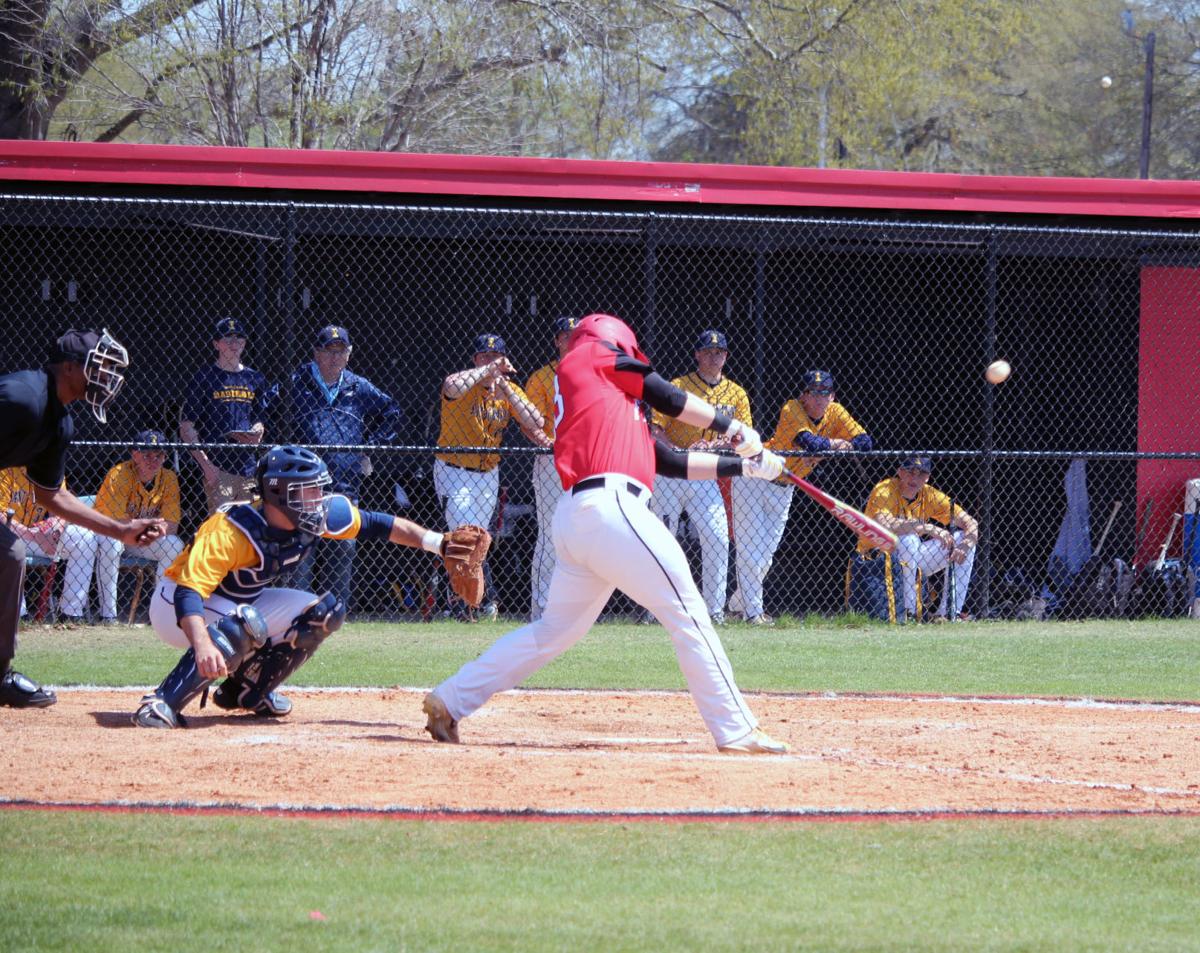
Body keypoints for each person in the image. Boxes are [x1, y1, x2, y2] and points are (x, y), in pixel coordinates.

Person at [422, 313, 791, 754]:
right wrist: (731, 427)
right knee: (689, 610)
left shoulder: (606, 402)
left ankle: (450, 698)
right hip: (611, 507)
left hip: (583, 517)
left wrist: (746, 466)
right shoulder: (593, 355)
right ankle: (736, 729)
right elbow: (669, 396)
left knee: (553, 632)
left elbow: (670, 462)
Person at [132, 444, 478, 728]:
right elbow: (188, 592)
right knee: (244, 624)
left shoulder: (313, 515)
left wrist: (440, 544)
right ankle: (161, 702)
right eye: (308, 491)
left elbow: (379, 524)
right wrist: (202, 642)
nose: (318, 498)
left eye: (319, 489)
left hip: (234, 602)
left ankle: (247, 691)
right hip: (174, 606)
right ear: (279, 494)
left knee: (324, 612)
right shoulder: (231, 530)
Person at [0, 329, 166, 708]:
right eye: (101, 368)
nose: (107, 378)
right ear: (71, 368)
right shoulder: (22, 398)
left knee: (10, 555)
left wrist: (121, 529)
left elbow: (51, 495)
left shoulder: (59, 424)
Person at [730, 369, 873, 625]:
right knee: (751, 551)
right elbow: (810, 443)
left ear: (833, 396)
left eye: (825, 392)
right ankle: (754, 614)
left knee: (766, 556)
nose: (819, 398)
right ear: (803, 396)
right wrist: (837, 445)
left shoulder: (836, 412)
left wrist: (832, 446)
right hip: (754, 478)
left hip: (785, 488)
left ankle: (736, 605)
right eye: (813, 392)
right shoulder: (792, 408)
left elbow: (865, 442)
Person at [284, 325, 403, 611]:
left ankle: (335, 615)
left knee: (343, 547)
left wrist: (371, 446)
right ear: (316, 353)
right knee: (301, 551)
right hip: (303, 483)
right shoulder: (296, 382)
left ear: (348, 355)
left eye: (341, 351)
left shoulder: (358, 386)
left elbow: (392, 411)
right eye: (328, 351)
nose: (335, 358)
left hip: (344, 483)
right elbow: (268, 408)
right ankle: (296, 614)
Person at [434, 333, 548, 619]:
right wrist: (486, 371)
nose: (490, 361)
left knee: (479, 539)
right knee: (464, 535)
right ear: (475, 360)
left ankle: (471, 602)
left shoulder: (506, 390)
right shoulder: (463, 383)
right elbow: (450, 385)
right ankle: (469, 602)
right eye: (484, 356)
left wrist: (507, 390)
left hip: (488, 474)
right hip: (454, 469)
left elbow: (536, 420)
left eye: (495, 357)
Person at [649, 329, 750, 624]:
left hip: (705, 473)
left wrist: (716, 444)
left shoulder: (737, 392)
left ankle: (713, 611)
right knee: (661, 541)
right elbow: (655, 428)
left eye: (719, 352)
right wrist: (677, 451)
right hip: (671, 471)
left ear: (726, 356)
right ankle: (657, 609)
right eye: (707, 351)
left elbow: (742, 436)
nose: (713, 356)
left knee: (718, 538)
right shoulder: (678, 386)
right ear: (696, 354)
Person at [854, 454, 978, 623]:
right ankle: (910, 614)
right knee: (909, 539)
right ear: (900, 472)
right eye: (910, 472)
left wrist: (965, 544)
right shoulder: (885, 489)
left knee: (962, 538)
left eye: (921, 474)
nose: (915, 478)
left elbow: (970, 522)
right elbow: (884, 524)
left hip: (912, 559)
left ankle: (949, 613)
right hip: (878, 559)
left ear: (927, 478)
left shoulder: (930, 494)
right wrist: (927, 527)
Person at [79, 430, 185, 624]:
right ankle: (108, 615)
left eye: (158, 455)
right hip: (109, 536)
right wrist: (152, 525)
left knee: (174, 544)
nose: (153, 460)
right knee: (112, 543)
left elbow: (172, 525)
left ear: (165, 457)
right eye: (146, 455)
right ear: (134, 454)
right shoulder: (119, 474)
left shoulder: (168, 478)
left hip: (142, 538)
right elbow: (114, 524)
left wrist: (146, 529)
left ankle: (160, 614)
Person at [179, 317, 269, 514]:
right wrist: (207, 466)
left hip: (248, 469)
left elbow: (260, 418)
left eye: (239, 339)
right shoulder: (205, 377)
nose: (234, 344)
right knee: (222, 528)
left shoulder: (255, 378)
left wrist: (257, 431)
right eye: (227, 339)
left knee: (250, 525)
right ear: (216, 344)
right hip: (219, 468)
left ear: (245, 343)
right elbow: (186, 427)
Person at [523, 316, 577, 621]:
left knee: (581, 532)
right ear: (557, 340)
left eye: (577, 335)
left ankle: (573, 605)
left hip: (585, 460)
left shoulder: (595, 374)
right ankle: (543, 606)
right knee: (550, 532)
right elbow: (531, 424)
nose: (572, 340)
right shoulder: (543, 377)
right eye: (566, 336)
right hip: (552, 459)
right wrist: (549, 443)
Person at [0, 467, 64, 619]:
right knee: (13, 546)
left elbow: (62, 511)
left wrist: (54, 531)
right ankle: (19, 614)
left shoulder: (51, 466)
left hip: (41, 535)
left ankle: (71, 612)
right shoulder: (5, 468)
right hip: (12, 532)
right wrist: (32, 535)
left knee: (84, 538)